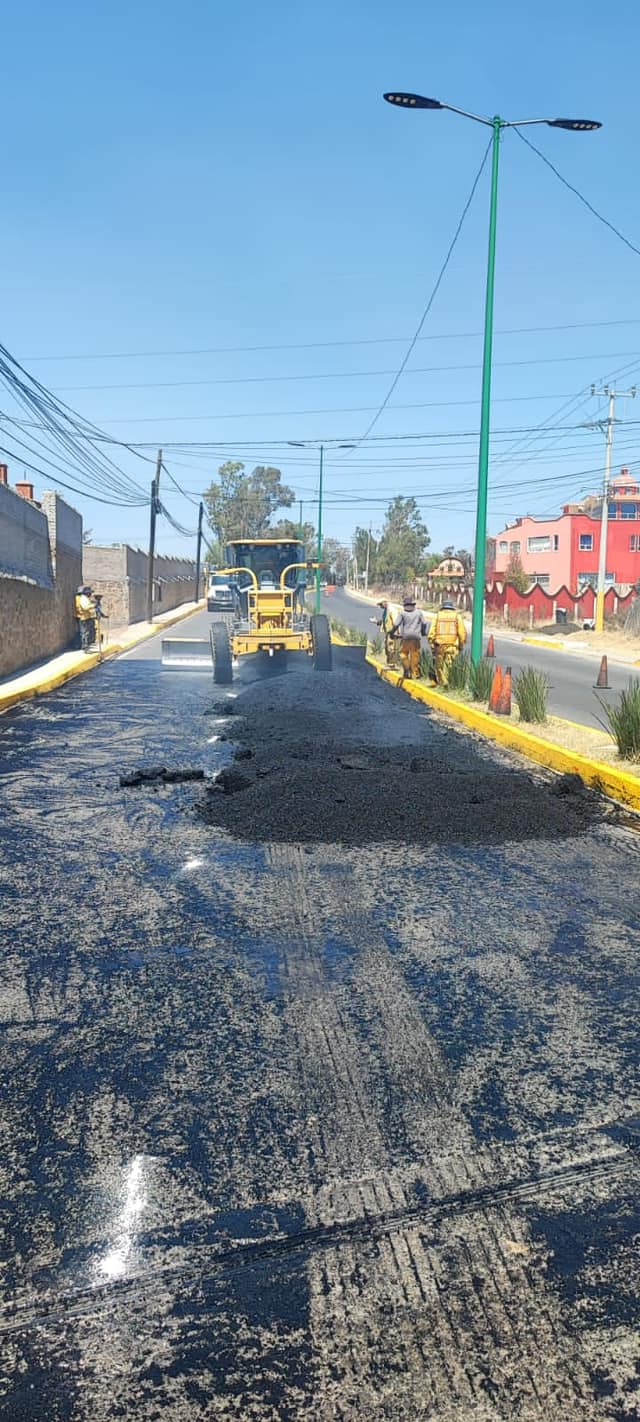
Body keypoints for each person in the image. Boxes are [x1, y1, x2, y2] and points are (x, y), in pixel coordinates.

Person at [428, 598, 467, 687]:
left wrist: (432, 644)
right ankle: (446, 682)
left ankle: (444, 682)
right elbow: (461, 633)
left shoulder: (437, 616)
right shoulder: (457, 616)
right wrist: (461, 644)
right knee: (449, 665)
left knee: (439, 666)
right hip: (452, 646)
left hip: (439, 645)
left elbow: (431, 632)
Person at [390, 595, 429, 680]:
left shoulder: (402, 613)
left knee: (403, 653)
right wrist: (423, 631)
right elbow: (425, 623)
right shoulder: (419, 612)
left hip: (406, 637)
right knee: (415, 655)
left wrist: (392, 632)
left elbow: (396, 624)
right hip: (416, 637)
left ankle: (407, 668)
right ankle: (414, 673)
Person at [370, 599, 397, 666]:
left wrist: (395, 633)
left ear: (384, 602)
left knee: (391, 649)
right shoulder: (386, 610)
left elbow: (396, 623)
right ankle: (389, 664)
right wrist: (376, 621)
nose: (380, 606)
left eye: (380, 604)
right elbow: (385, 621)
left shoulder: (391, 610)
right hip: (388, 632)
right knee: (387, 648)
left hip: (392, 633)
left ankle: (392, 664)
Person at [75, 585, 97, 652]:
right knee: (85, 633)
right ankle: (85, 647)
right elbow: (85, 607)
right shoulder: (83, 598)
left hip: (85, 617)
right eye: (89, 592)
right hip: (83, 618)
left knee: (86, 632)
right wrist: (93, 605)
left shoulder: (84, 598)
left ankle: (86, 645)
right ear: (86, 593)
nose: (90, 594)